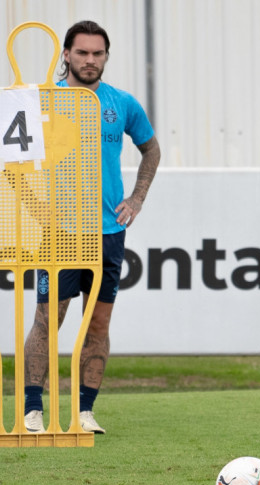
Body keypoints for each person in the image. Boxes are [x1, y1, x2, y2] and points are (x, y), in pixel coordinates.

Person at [23, 21, 161, 434]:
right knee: (50, 319)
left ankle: (84, 413)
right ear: (65, 55)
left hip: (108, 232)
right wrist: (35, 207)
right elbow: (9, 159)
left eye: (97, 53)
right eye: (81, 53)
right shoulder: (42, 102)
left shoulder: (121, 102)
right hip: (61, 230)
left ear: (105, 57)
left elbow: (151, 148)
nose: (89, 60)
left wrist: (137, 198)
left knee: (98, 323)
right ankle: (33, 409)